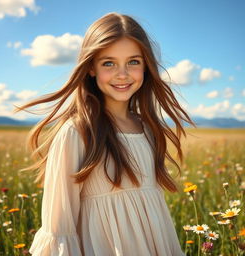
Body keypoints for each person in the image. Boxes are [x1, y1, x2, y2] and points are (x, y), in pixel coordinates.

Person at [14, 12, 195, 256]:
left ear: (146, 65)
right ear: (90, 68)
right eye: (108, 63)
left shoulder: (148, 128)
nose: (123, 74)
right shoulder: (76, 133)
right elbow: (59, 229)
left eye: (133, 62)